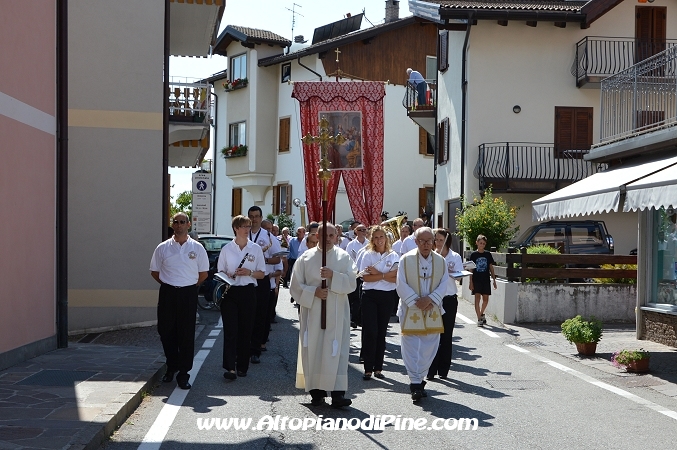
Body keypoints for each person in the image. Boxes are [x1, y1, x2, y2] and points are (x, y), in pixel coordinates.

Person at [290, 223, 357, 408]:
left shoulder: (344, 257)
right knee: (315, 349)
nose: (328, 239)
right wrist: (314, 292)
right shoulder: (305, 258)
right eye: (324, 235)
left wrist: (333, 275)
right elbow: (295, 286)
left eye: (331, 235)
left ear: (336, 237)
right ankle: (317, 393)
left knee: (337, 351)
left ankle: (338, 394)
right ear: (316, 236)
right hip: (313, 313)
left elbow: (352, 283)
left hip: (336, 312)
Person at [150, 212, 209, 390]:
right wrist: (170, 285)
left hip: (188, 294)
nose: (179, 225)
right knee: (166, 331)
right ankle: (171, 366)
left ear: (188, 225)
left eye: (182, 222)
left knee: (186, 334)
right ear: (173, 225)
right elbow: (154, 271)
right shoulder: (163, 247)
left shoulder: (197, 248)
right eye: (176, 222)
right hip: (168, 293)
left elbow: (204, 273)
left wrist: (188, 286)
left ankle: (183, 374)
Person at [396, 227, 448, 402]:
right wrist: (415, 300)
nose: (426, 244)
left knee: (430, 345)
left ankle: (421, 376)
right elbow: (400, 283)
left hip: (432, 308)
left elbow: (444, 283)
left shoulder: (441, 261)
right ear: (416, 241)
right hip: (412, 307)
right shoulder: (405, 260)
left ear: (434, 241)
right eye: (422, 241)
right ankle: (415, 382)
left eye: (429, 241)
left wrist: (431, 299)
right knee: (410, 345)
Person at [217, 215, 266, 380]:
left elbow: (261, 273)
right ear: (236, 228)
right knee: (231, 331)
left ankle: (242, 366)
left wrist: (249, 272)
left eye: (248, 226)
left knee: (246, 331)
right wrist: (228, 275)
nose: (247, 229)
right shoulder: (226, 249)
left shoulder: (255, 249)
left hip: (248, 292)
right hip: (230, 292)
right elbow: (220, 271)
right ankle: (230, 368)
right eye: (244, 226)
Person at [358, 226, 399, 380]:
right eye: (376, 237)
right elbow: (365, 278)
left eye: (381, 237)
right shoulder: (367, 255)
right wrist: (384, 276)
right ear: (372, 239)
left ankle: (378, 368)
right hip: (370, 295)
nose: (379, 240)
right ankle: (368, 368)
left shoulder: (393, 255)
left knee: (381, 332)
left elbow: (396, 277)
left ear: (386, 238)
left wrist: (378, 274)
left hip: (387, 296)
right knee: (370, 331)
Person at [247, 208, 282, 364]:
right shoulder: (242, 233)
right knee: (246, 315)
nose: (254, 219)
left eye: (256, 217)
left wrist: (263, 260)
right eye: (251, 217)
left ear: (261, 218)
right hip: (245, 279)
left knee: (260, 315)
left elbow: (278, 260)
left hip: (262, 279)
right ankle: (244, 348)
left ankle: (255, 350)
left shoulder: (269, 237)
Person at [427, 228, 463, 381]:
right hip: (434, 299)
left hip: (449, 299)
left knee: (446, 335)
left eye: (441, 240)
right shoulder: (430, 256)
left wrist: (450, 271)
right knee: (432, 335)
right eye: (436, 240)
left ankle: (443, 370)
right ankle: (430, 369)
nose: (438, 243)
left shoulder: (455, 257)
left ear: (447, 241)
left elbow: (459, 276)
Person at [469, 234, 497, 327]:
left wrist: (494, 279)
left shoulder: (487, 254)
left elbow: (491, 267)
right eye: (480, 243)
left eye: (484, 244)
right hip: (476, 279)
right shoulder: (473, 255)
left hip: (485, 279)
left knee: (485, 300)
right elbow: (471, 269)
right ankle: (479, 319)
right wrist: (471, 282)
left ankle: (481, 313)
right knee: (477, 299)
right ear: (477, 243)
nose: (482, 245)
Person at [346, 224, 369, 327]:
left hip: (367, 273)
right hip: (355, 273)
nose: (364, 231)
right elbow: (348, 259)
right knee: (355, 297)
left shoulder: (369, 244)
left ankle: (360, 318)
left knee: (363, 297)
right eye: (361, 230)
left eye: (365, 230)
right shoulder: (351, 245)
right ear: (356, 231)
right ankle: (354, 319)